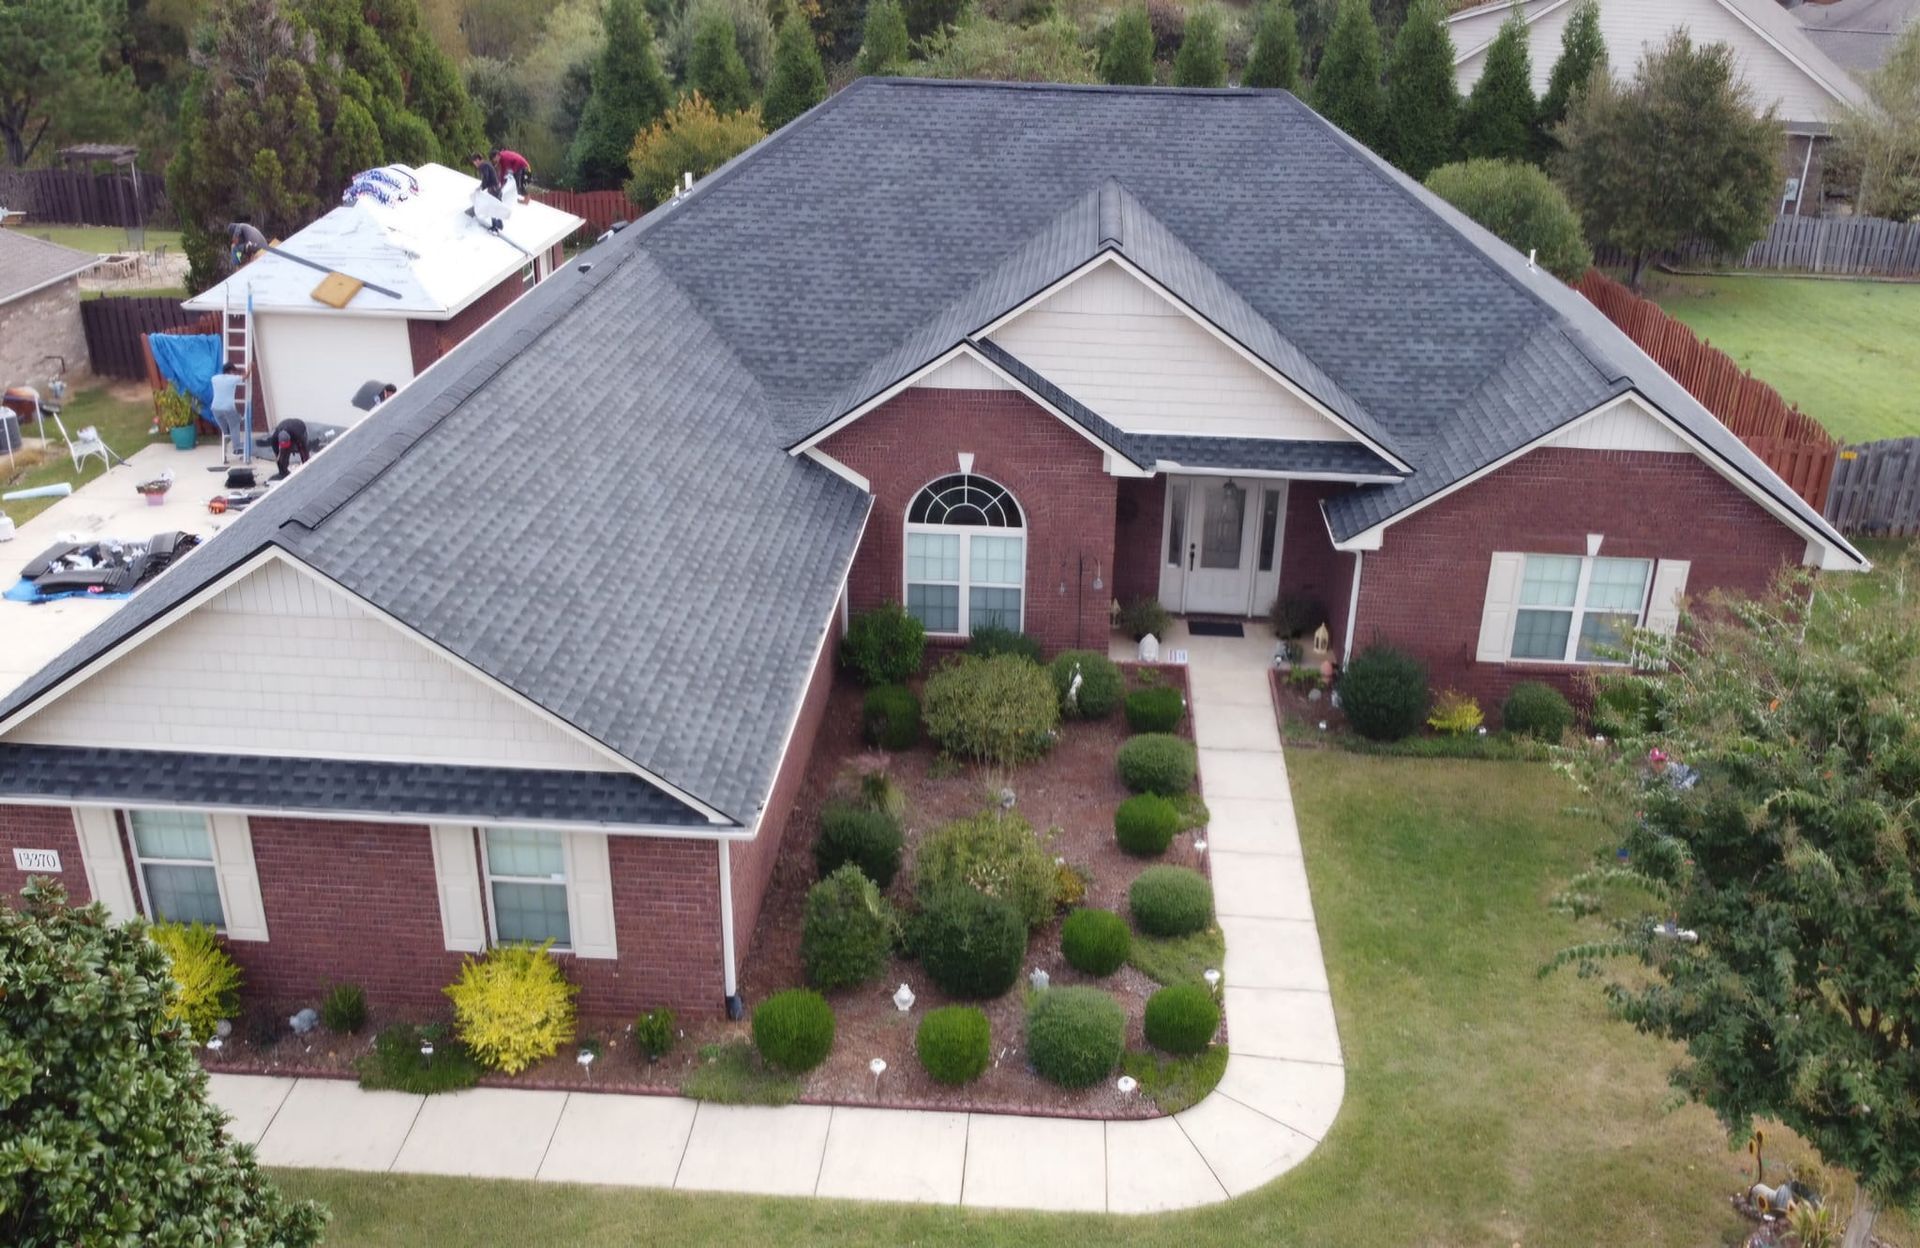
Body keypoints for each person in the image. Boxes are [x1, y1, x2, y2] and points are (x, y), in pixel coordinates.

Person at [209, 363, 247, 460]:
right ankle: (237, 448)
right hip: (228, 408)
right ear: (231, 371)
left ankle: (228, 436)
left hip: (215, 408)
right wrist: (250, 367)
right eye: (234, 372)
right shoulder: (232, 378)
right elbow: (245, 376)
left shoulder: (214, 378)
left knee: (226, 432)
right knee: (235, 424)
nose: (235, 374)